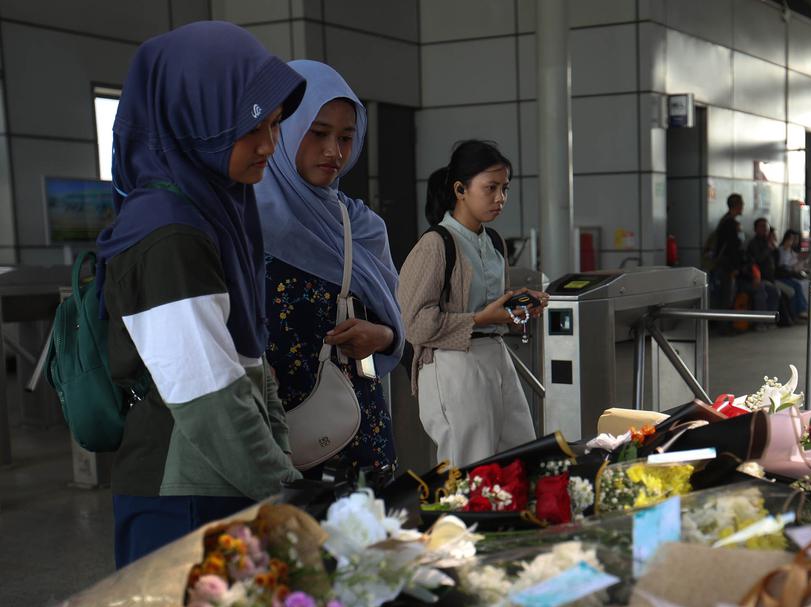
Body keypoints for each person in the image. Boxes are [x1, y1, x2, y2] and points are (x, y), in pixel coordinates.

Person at [97, 22, 306, 567]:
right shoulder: (167, 229)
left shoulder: (219, 206)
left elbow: (251, 357)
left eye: (276, 125)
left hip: (225, 480)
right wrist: (293, 496)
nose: (269, 145)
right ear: (195, 120)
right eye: (250, 127)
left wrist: (282, 470)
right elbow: (209, 399)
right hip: (185, 497)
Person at [256, 60, 403, 479]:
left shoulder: (362, 227)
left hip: (358, 434)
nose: (334, 152)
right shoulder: (245, 221)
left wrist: (384, 336)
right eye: (318, 133)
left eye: (346, 137)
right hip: (272, 443)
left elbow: (395, 323)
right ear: (279, 128)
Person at [398, 140, 548, 466]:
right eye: (490, 188)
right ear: (460, 190)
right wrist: (479, 320)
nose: (501, 198)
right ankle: (463, 519)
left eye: (505, 188)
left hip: (495, 355)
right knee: (470, 465)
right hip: (453, 363)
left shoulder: (492, 242)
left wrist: (517, 306)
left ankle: (511, 517)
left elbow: (491, 305)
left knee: (520, 455)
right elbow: (414, 324)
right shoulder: (435, 245)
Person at [747, 218, 796, 326]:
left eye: (766, 227)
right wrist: (769, 248)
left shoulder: (768, 243)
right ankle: (762, 322)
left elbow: (776, 263)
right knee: (771, 292)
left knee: (777, 292)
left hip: (771, 278)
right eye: (762, 227)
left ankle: (770, 321)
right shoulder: (754, 243)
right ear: (755, 229)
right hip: (759, 278)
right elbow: (757, 259)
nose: (765, 229)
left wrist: (774, 249)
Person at [708, 194, 744, 310]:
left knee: (723, 294)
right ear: (736, 205)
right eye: (741, 204)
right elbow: (732, 247)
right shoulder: (730, 224)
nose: (743, 206)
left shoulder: (724, 221)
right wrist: (735, 267)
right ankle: (722, 326)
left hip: (722, 263)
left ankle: (721, 324)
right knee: (726, 295)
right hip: (726, 265)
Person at [777, 229, 810, 321]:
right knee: (797, 286)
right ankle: (800, 311)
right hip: (782, 277)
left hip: (790, 275)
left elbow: (794, 265)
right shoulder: (780, 250)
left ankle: (804, 309)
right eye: (791, 239)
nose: (793, 241)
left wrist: (801, 261)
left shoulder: (791, 251)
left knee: (806, 284)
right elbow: (783, 265)